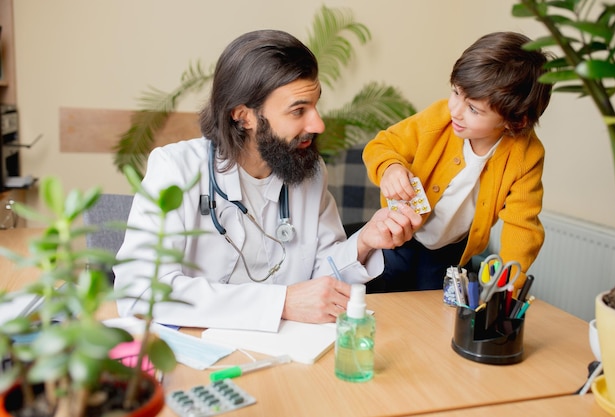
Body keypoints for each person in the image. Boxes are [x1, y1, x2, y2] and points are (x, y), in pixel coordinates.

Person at [113, 29, 422, 332]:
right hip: (198, 348)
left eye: (315, 105)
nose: (317, 123)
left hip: (288, 351)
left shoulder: (309, 171)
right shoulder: (176, 169)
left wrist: (365, 241)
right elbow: (139, 292)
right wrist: (281, 303)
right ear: (243, 116)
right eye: (298, 110)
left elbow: (320, 275)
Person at [363, 31, 552, 293]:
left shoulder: (526, 155)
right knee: (382, 297)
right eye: (455, 92)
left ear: (515, 121)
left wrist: (505, 286)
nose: (456, 110)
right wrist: (390, 167)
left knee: (430, 312)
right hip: (398, 235)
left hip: (449, 251)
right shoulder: (439, 118)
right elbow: (382, 144)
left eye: (474, 109)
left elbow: (522, 226)